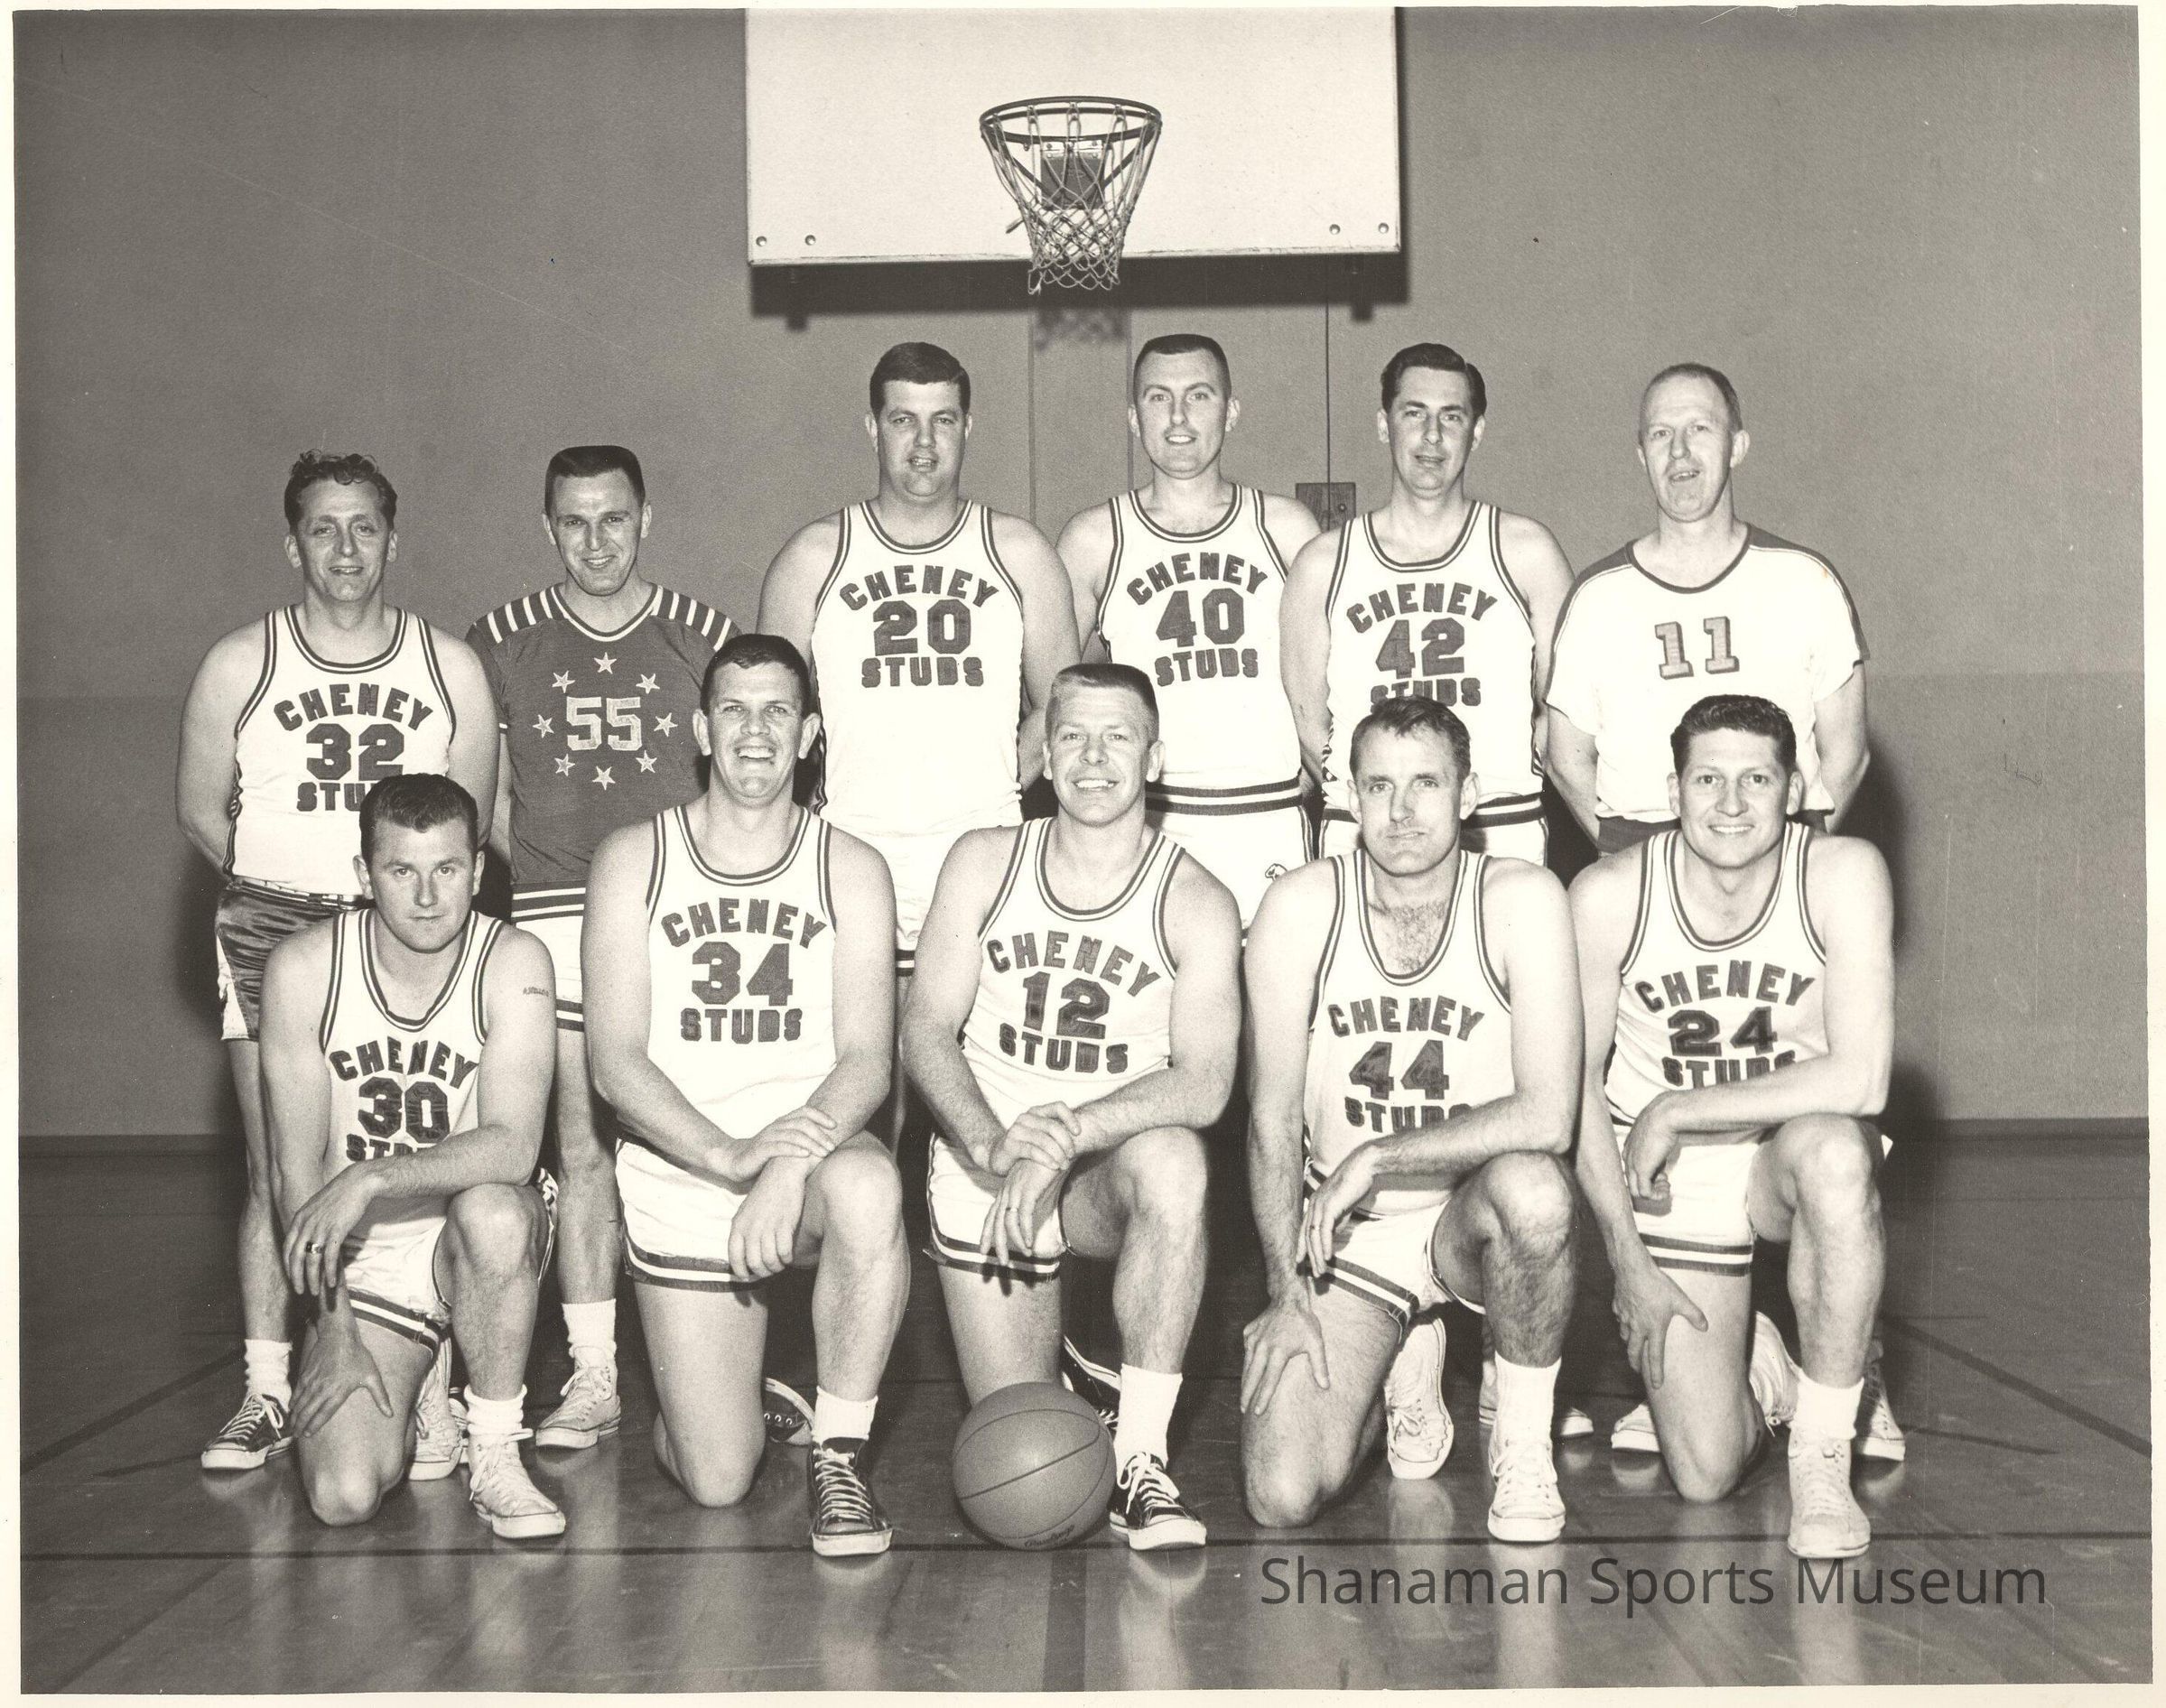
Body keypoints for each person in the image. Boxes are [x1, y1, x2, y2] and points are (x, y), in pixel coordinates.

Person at [178, 451, 497, 1471]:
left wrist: (389, 914)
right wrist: (294, 902)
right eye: (324, 527)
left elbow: (472, 819)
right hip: (276, 925)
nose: (346, 547)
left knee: (424, 1151)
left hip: (405, 925)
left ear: (393, 540)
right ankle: (268, 1386)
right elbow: (201, 810)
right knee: (278, 1164)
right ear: (292, 544)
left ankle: (433, 1377)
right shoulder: (241, 661)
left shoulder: (448, 664)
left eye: (364, 526)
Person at [901, 663, 1240, 1549]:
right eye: (1072, 737)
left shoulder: (1195, 899)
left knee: (1175, 1160)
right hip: (988, 1167)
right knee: (1029, 1466)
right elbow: (925, 1029)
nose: (1093, 758)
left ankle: (1142, 1457)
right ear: (1045, 756)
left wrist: (1066, 1138)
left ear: (1153, 759)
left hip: (1098, 1170)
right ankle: (1082, 1372)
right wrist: (993, 1145)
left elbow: (1205, 1082)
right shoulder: (984, 861)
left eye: (1117, 737)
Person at [582, 635, 908, 1556]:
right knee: (718, 1480)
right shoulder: (632, 857)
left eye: (776, 712)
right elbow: (614, 1062)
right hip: (684, 1165)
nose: (754, 730)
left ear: (808, 734)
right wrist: (729, 1156)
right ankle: (724, 1397)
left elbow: (866, 1060)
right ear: (700, 730)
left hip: (808, 1159)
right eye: (733, 709)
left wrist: (784, 1163)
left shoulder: (850, 866)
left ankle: (839, 1455)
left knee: (869, 1187)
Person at [467, 445, 760, 1454]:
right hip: (555, 909)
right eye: (574, 522)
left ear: (647, 518)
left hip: (680, 917)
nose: (596, 541)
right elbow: (480, 794)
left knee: (707, 1134)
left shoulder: (703, 634)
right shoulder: (501, 640)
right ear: (547, 528)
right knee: (583, 1147)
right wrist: (561, 879)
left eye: (614, 519)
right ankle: (595, 1373)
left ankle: (739, 1366)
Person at [1238, 697, 1581, 1544]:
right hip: (1349, 1232)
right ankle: (1401, 1342)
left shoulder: (1521, 897)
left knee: (1537, 1193)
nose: (1400, 810)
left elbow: (1549, 1114)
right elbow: (1271, 1117)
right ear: (1348, 796)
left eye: (1425, 783)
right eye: (1378, 786)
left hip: (1470, 1211)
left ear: (1469, 794)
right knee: (1280, 1493)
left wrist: (1381, 1155)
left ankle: (1523, 1448)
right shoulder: (1300, 906)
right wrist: (1285, 1292)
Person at [1570, 693, 1893, 1559]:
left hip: (1783, 1144)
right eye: (1707, 779)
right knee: (1704, 1473)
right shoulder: (1608, 895)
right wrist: (1627, 1263)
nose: (1731, 803)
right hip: (1671, 1177)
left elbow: (1861, 1077)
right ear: (1672, 791)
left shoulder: (1841, 872)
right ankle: (1765, 1361)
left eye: (1756, 779)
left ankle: (1822, 1455)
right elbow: (1573, 1094)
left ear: (1794, 789)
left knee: (1836, 1155)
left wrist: (1678, 1107)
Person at [264, 774, 563, 1538]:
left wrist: (372, 1176)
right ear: (364, 875)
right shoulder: (303, 969)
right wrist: (332, 1330)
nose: (428, 896)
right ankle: (427, 1371)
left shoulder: (514, 959)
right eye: (402, 871)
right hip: (362, 1256)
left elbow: (514, 1145)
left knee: (495, 1212)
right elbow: (296, 1175)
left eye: (447, 869)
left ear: (478, 869)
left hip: (472, 1227)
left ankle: (494, 1448)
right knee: (343, 1495)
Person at [758, 341, 1081, 990]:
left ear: (968, 426)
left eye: (943, 420)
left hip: (984, 852)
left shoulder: (1017, 551)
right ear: (873, 427)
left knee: (973, 1046)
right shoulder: (814, 556)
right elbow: (767, 711)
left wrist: (1002, 784)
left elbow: (1065, 708)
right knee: (863, 1046)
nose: (924, 443)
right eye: (903, 419)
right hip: (850, 850)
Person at [1545, 363, 1871, 854]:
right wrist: (1636, 863)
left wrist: (1787, 859)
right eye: (1661, 433)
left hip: (1777, 855)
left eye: (1699, 428)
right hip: (1644, 859)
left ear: (1737, 446)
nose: (1679, 450)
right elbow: (1566, 762)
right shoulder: (1597, 596)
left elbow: (1847, 757)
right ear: (1642, 455)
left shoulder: (1805, 580)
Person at [1056, 332, 1320, 926]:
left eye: (1198, 396)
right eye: (1158, 398)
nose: (1178, 418)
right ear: (1133, 417)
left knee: (1271, 986)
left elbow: (1325, 684)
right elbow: (1057, 699)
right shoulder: (1095, 538)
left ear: (1231, 411)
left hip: (1267, 816)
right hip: (1148, 822)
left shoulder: (1285, 528)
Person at [1282, 343, 1572, 865]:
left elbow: (1561, 710)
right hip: (1367, 831)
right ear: (1384, 425)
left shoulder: (1527, 551)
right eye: (1414, 414)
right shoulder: (1323, 563)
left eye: (1452, 417)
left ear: (1476, 432)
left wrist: (1509, 776)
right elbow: (1309, 723)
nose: (1432, 436)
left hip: (1500, 825)